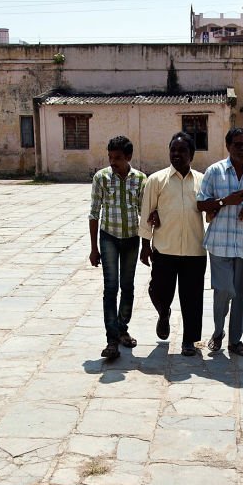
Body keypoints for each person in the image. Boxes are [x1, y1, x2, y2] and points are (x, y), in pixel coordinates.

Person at [196, 128, 243, 356]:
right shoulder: (214, 171)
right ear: (228, 146)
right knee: (224, 290)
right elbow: (201, 204)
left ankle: (235, 340)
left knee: (241, 294)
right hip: (220, 242)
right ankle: (218, 332)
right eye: (238, 144)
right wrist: (224, 202)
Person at [139, 132, 206, 357]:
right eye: (173, 150)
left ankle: (190, 341)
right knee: (159, 291)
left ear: (191, 155)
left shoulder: (202, 180)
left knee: (192, 299)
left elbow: (210, 212)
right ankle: (163, 313)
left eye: (182, 151)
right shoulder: (156, 180)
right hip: (164, 250)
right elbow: (147, 213)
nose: (176, 154)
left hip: (194, 250)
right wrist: (145, 245)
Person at [89, 135, 147, 361]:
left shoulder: (140, 179)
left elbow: (144, 214)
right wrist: (94, 248)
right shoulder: (101, 178)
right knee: (110, 288)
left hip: (132, 238)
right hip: (109, 238)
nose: (113, 162)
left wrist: (147, 245)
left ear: (129, 157)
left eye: (118, 158)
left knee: (128, 286)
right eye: (110, 157)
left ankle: (122, 328)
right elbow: (94, 213)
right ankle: (111, 340)